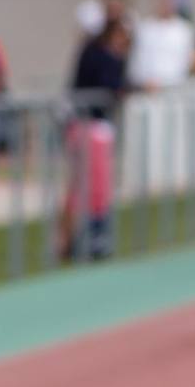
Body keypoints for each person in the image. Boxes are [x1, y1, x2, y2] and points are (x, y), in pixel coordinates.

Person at [66, 16, 130, 261]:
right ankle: (84, 240)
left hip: (96, 126)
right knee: (88, 188)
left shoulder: (111, 57)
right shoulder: (97, 55)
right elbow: (108, 86)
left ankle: (92, 238)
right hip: (87, 125)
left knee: (97, 187)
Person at [128, 0, 195, 93]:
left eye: (169, 2)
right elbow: (137, 59)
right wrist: (143, 81)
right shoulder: (145, 28)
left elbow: (189, 59)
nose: (165, 6)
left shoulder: (184, 30)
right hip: (147, 89)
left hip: (175, 88)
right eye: (162, 1)